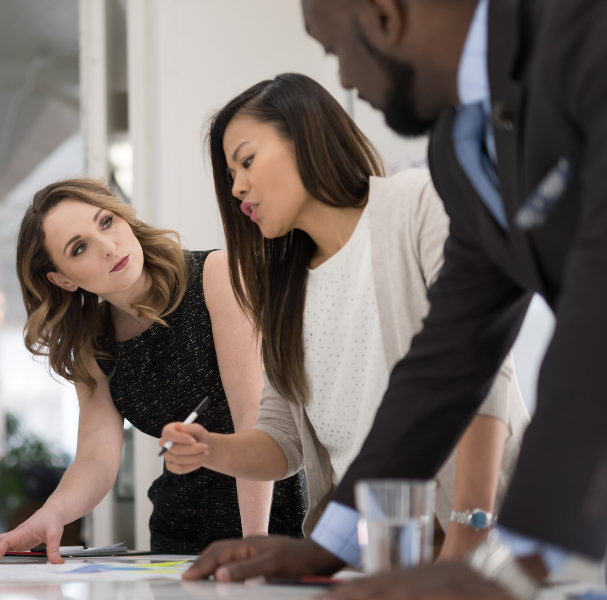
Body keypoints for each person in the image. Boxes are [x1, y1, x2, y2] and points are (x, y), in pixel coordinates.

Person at [188, 0, 607, 597]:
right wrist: (328, 545)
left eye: (336, 51)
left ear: (385, 16)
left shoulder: (585, 33)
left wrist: (516, 561)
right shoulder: (460, 155)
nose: (347, 81)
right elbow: (445, 364)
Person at [159, 73, 528, 562]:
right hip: (372, 553)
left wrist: (468, 532)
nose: (237, 188)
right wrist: (210, 449)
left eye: (246, 161)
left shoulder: (418, 204)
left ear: (306, 136)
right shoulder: (282, 291)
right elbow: (283, 440)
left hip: (488, 542)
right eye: (230, 176)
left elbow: (483, 372)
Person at [0, 178, 307, 564]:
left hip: (272, 528)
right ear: (62, 279)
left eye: (106, 222)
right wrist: (51, 514)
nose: (108, 247)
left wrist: (255, 538)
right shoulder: (93, 342)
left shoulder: (215, 275)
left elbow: (251, 419)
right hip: (176, 540)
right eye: (79, 247)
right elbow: (96, 460)